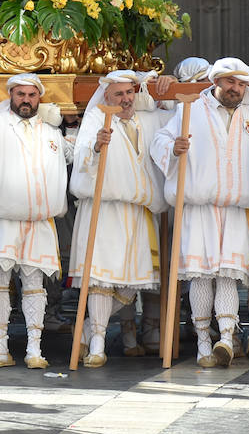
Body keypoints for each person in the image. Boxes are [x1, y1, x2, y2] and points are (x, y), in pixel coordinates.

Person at [151, 58, 249, 366]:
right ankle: (204, 342)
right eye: (231, 82)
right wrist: (173, 149)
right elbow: (159, 140)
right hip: (198, 206)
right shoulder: (190, 109)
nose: (236, 89)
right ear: (216, 82)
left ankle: (227, 338)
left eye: (242, 84)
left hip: (236, 207)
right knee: (201, 276)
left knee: (229, 275)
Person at [0, 73, 72, 370]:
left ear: (39, 98)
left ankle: (34, 349)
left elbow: (74, 155)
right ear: (11, 95)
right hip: (0, 218)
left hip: (38, 220)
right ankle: (0, 347)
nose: (26, 100)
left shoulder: (50, 129)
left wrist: (95, 144)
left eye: (32, 95)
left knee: (34, 284)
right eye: (20, 94)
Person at [68, 70, 172, 367]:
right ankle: (98, 342)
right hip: (105, 209)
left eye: (129, 93)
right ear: (107, 97)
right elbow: (85, 156)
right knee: (101, 279)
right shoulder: (97, 120)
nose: (125, 99)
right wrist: (97, 146)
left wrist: (166, 87)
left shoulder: (148, 120)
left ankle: (87, 329)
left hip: (139, 211)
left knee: (132, 283)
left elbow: (177, 119)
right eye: (119, 94)